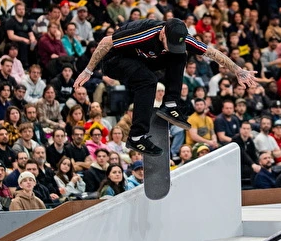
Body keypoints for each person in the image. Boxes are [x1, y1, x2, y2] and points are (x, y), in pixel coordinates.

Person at [74, 18, 256, 156]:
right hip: (115, 60)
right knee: (148, 81)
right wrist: (88, 71)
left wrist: (238, 70)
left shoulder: (181, 37)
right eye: (170, 44)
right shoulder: (146, 33)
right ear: (162, 34)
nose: (171, 48)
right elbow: (106, 42)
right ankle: (137, 137)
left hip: (143, 59)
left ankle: (170, 104)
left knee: (180, 55)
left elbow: (211, 52)